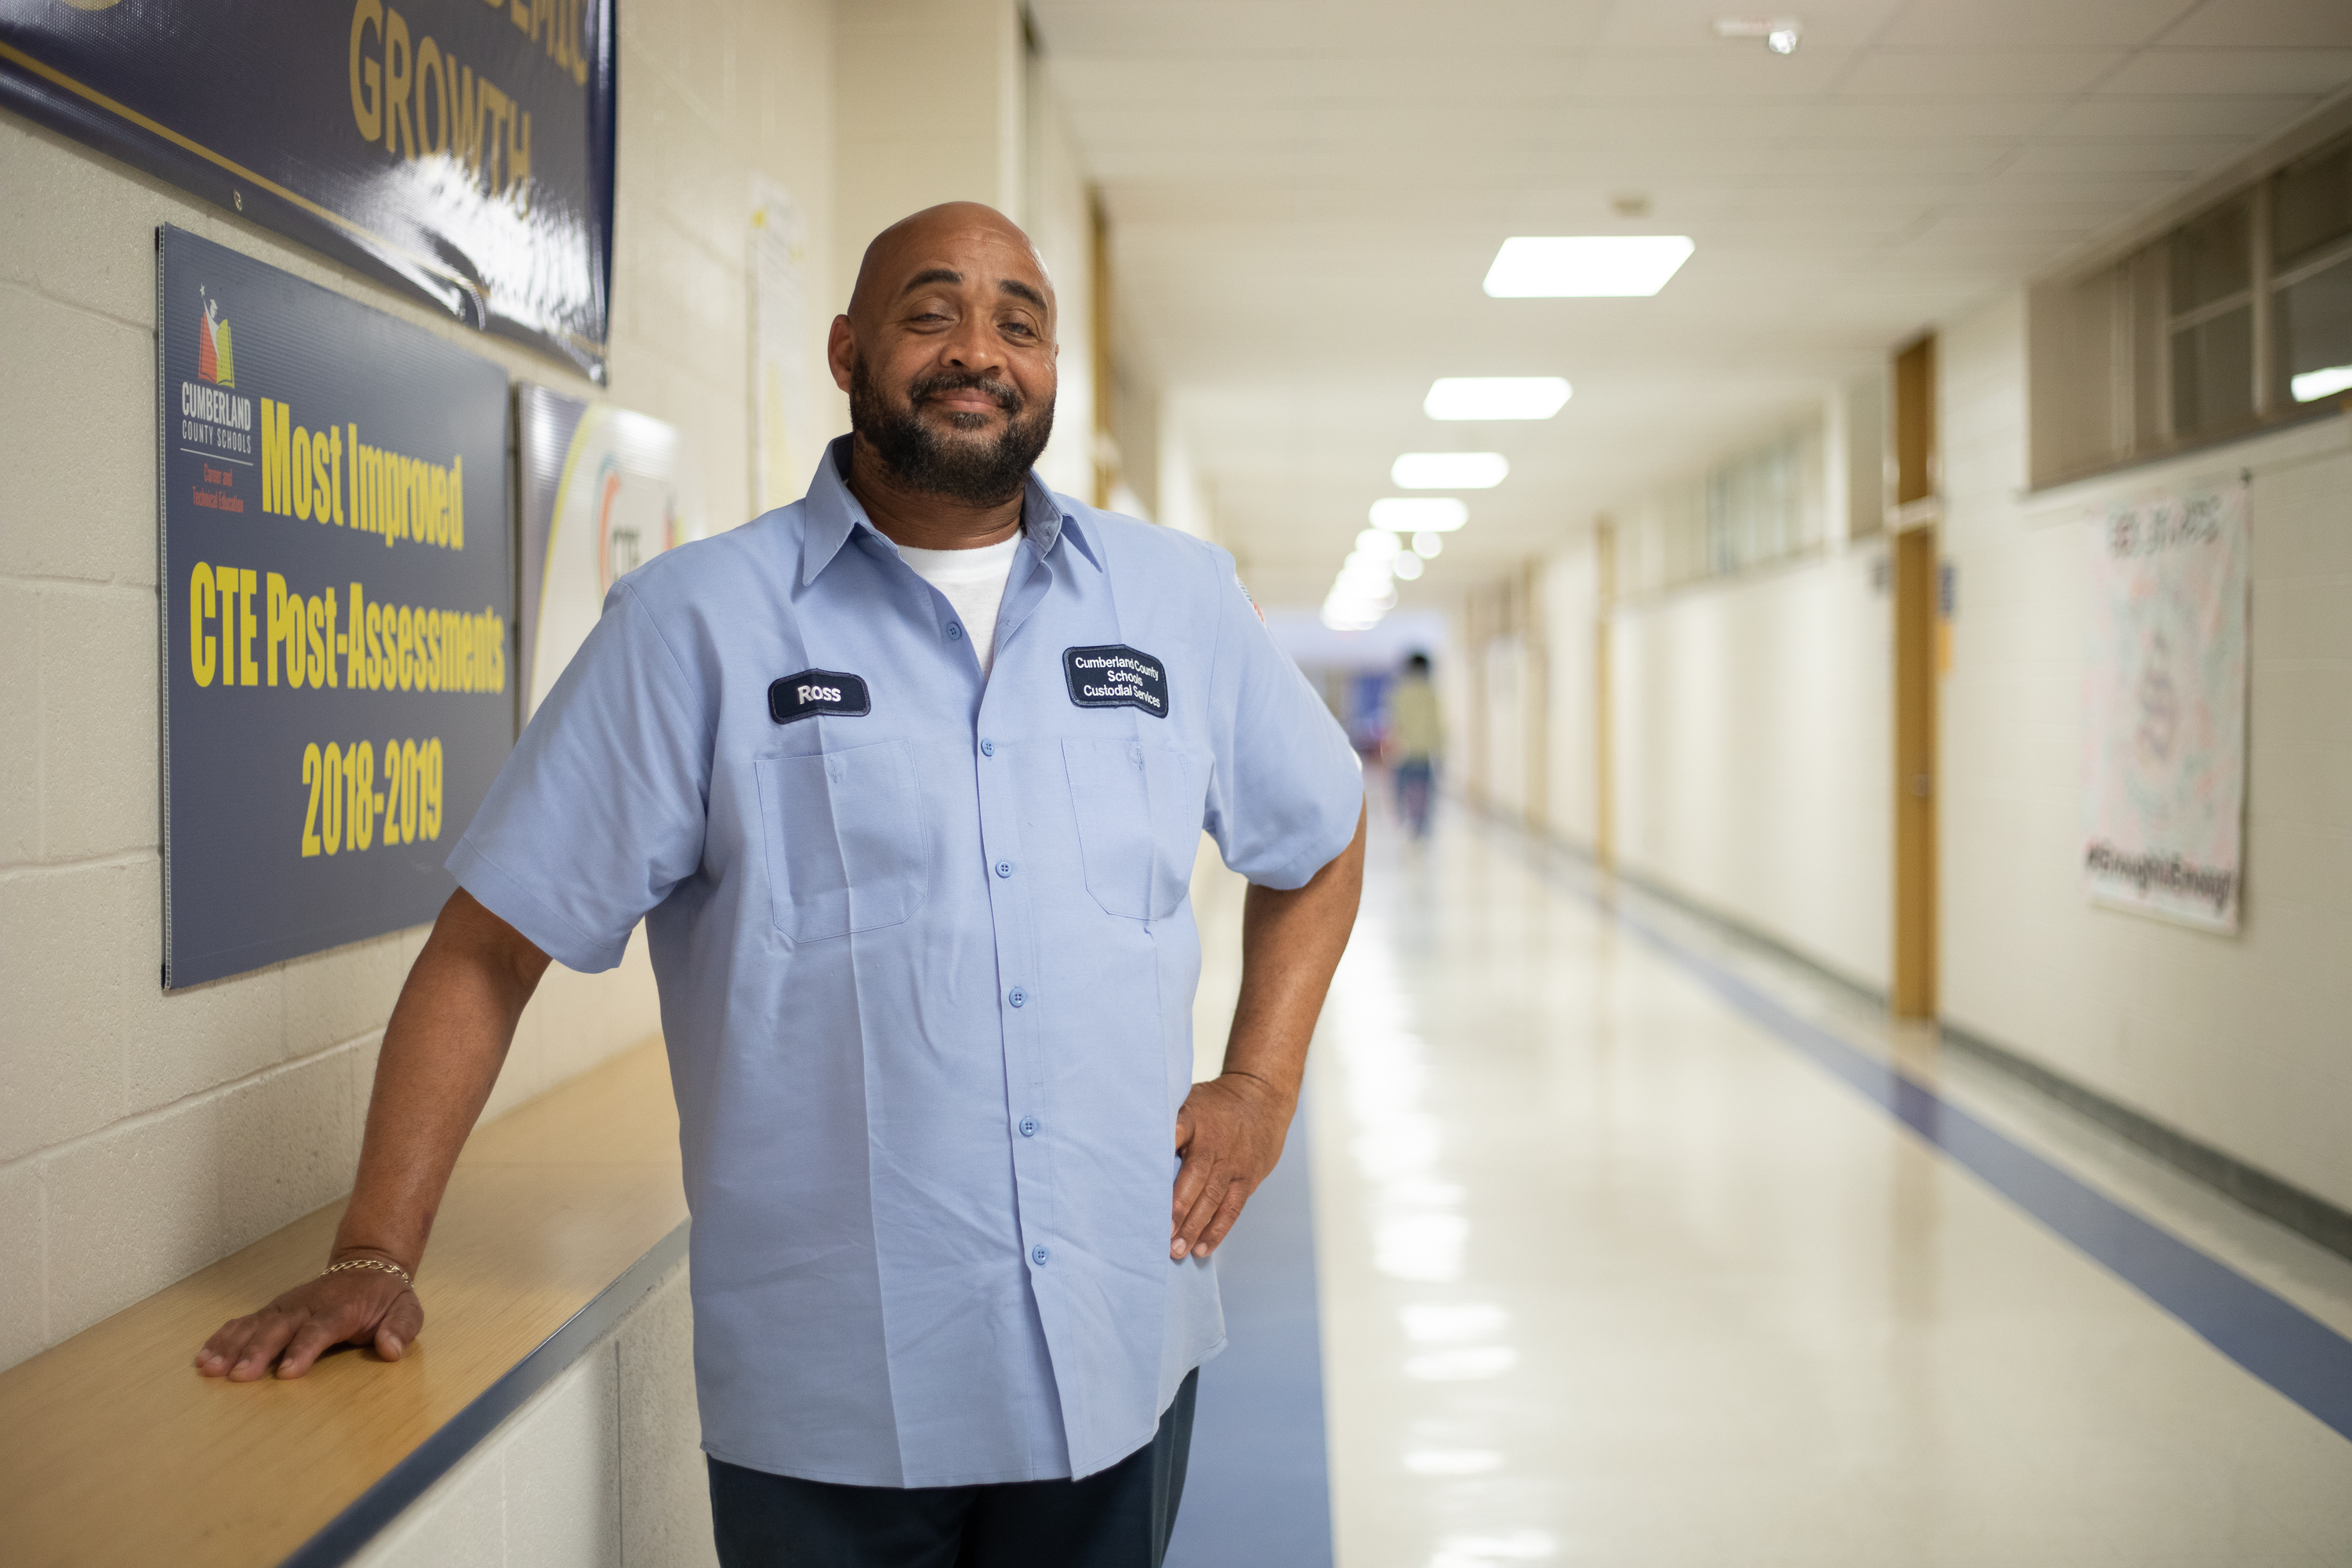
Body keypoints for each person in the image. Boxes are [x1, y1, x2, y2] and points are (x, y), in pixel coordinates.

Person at [195, 202, 1367, 1568]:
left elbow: (1322, 835)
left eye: (1020, 323)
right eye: (933, 313)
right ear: (848, 349)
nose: (980, 351)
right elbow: (489, 947)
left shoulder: (1177, 604)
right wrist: (373, 1252)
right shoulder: (696, 625)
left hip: (1121, 1346)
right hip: (836, 1405)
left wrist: (1260, 1085)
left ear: (1053, 370)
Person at [1387, 652, 1443, 839]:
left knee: (1402, 788)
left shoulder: (1400, 693)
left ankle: (1403, 819)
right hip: (1424, 753)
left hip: (1404, 752)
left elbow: (1395, 724)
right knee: (1425, 791)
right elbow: (1436, 726)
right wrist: (1440, 751)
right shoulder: (1431, 694)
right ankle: (1421, 827)